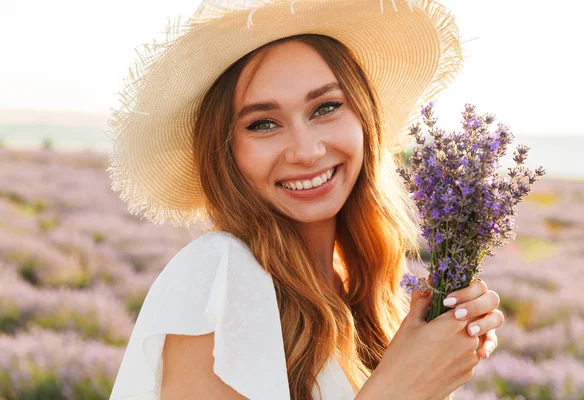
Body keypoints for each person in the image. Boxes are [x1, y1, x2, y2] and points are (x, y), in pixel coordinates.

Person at [107, 0, 504, 399]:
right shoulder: (218, 278)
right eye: (263, 123)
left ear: (363, 119)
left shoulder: (360, 296)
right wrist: (404, 386)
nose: (306, 151)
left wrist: (437, 358)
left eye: (326, 107)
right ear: (226, 152)